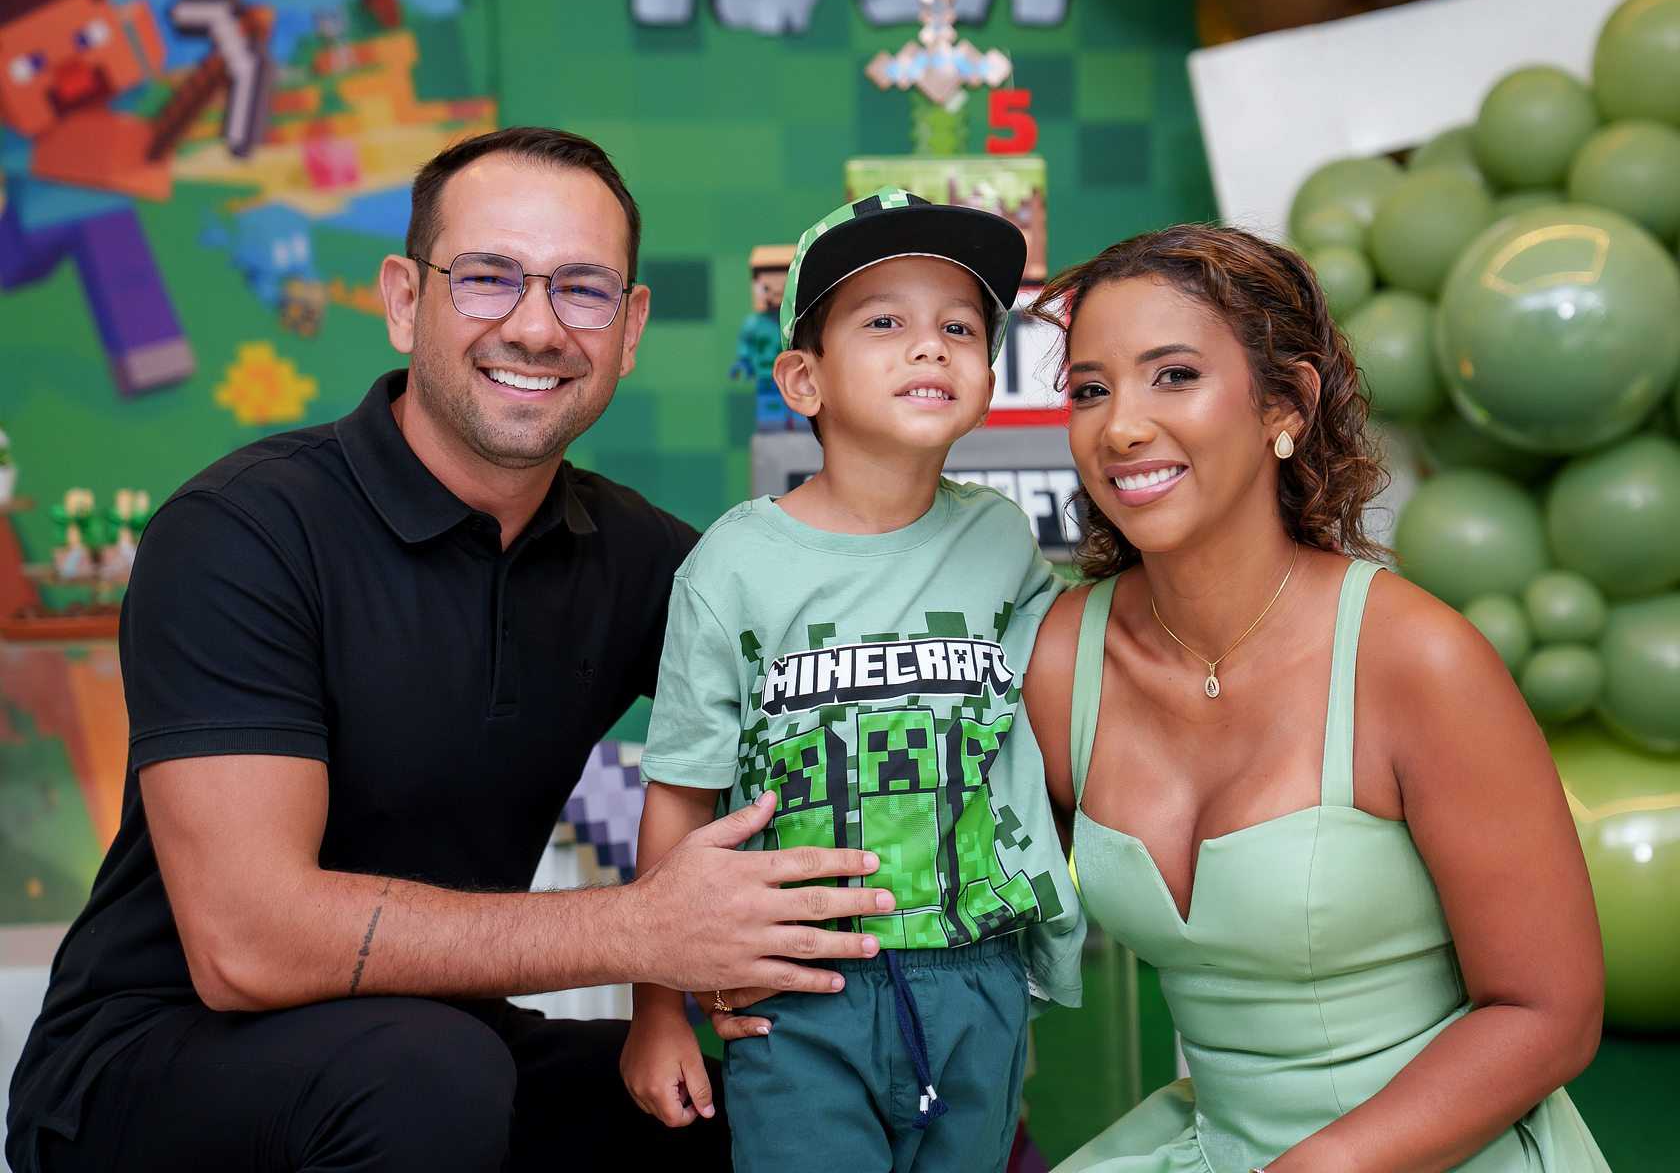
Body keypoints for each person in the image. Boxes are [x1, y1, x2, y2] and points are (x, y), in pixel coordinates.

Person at [5, 126, 898, 1173]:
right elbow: (245, 944)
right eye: (486, 277)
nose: (536, 327)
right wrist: (639, 928)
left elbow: (848, 701)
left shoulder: (645, 557)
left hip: (434, 1039)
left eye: (584, 290)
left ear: (630, 329)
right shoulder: (241, 534)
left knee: (738, 1113)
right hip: (149, 1063)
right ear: (402, 300)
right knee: (429, 1076)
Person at [1022, 224, 1609, 1173]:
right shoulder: (1062, 659)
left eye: (1174, 375)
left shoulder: (1418, 660)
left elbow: (1550, 1014)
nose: (1121, 426)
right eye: (1091, 390)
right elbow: (955, 902)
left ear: (1285, 405)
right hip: (1215, 1146)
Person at [620, 188, 1087, 1173]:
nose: (930, 348)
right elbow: (682, 796)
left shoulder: (1003, 541)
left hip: (978, 977)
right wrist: (657, 1011)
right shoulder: (732, 567)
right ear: (804, 379)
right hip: (793, 988)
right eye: (884, 323)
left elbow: (1075, 693)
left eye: (959, 328)